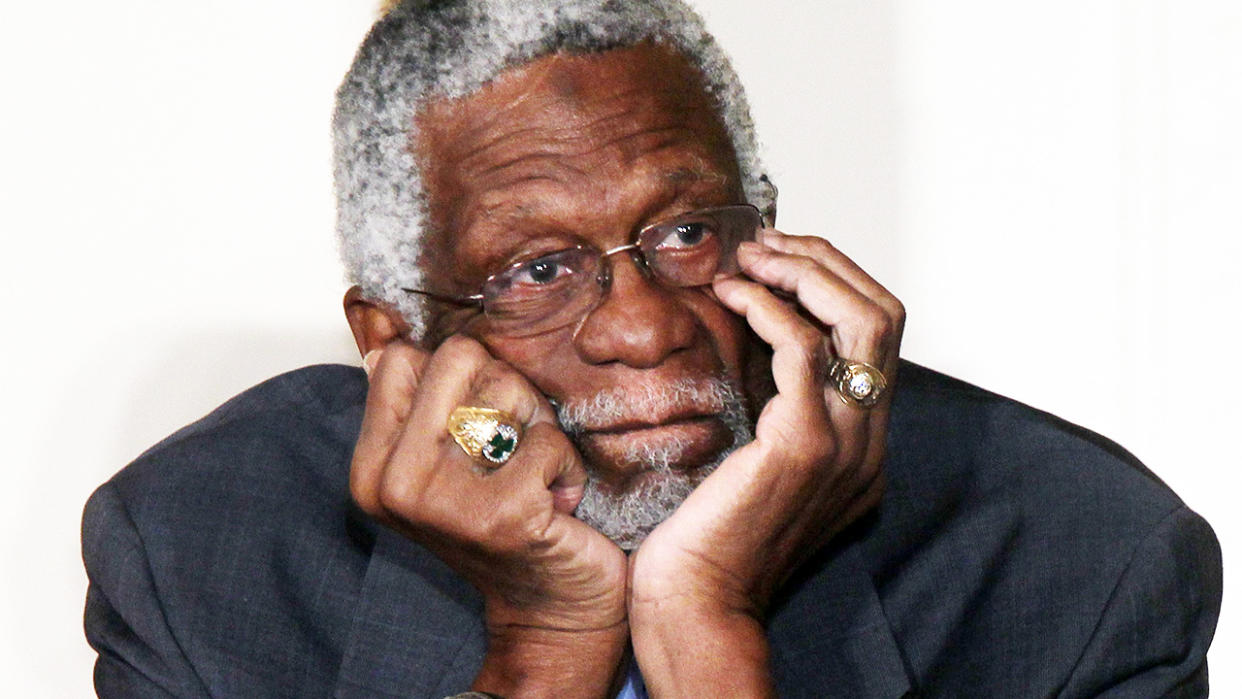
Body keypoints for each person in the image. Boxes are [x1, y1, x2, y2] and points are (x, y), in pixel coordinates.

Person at [82, 1, 1222, 697]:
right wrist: (542, 642)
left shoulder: (1083, 561)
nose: (646, 328)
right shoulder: (201, 554)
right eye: (536, 269)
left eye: (686, 235)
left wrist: (708, 632)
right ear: (395, 341)